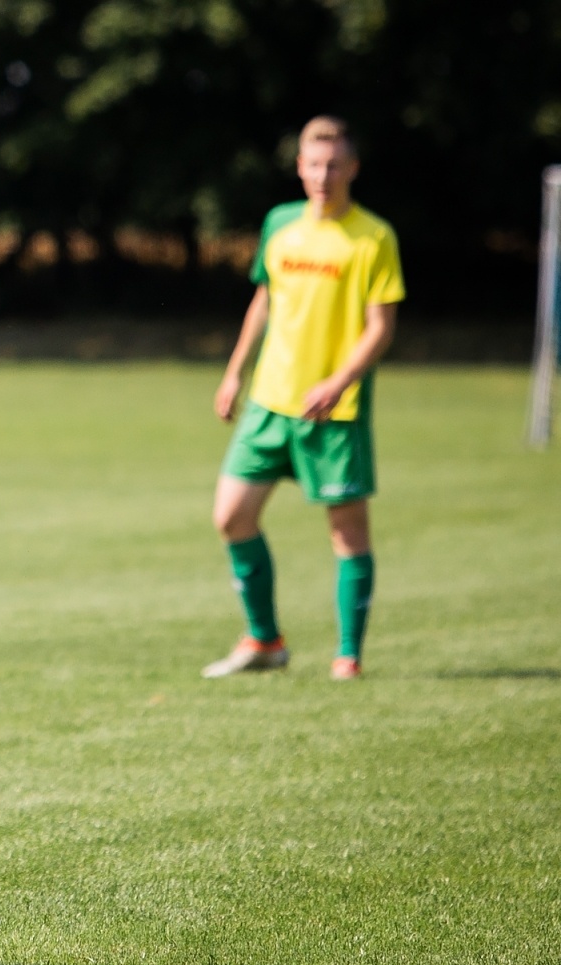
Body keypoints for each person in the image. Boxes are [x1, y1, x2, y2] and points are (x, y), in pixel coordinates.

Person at [203, 116, 404, 681]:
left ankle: (348, 657)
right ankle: (265, 642)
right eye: (314, 164)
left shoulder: (374, 237)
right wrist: (234, 374)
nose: (324, 175)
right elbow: (264, 301)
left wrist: (340, 380)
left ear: (352, 168)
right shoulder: (280, 224)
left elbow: (380, 326)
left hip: (334, 411)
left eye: (335, 164)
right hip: (270, 401)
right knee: (231, 517)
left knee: (346, 533)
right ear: (299, 167)